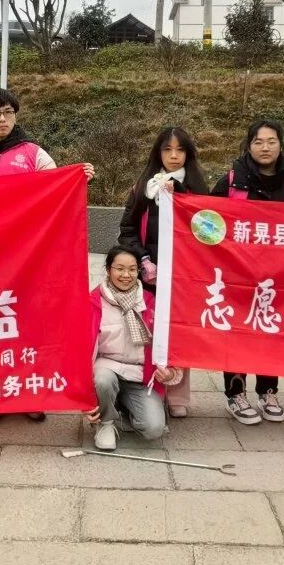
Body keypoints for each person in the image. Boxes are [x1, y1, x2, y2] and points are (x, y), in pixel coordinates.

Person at [0, 87, 94, 422]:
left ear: (16, 115)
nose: (2, 119)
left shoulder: (34, 154)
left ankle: (31, 393)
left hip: (30, 255)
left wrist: (78, 179)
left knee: (29, 323)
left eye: (8, 112)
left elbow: (57, 189)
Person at [212, 118, 284, 426]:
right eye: (258, 142)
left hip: (280, 277)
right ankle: (236, 394)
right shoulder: (231, 182)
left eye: (271, 141)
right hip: (238, 276)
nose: (265, 147)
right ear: (249, 146)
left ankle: (268, 392)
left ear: (281, 145)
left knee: (272, 333)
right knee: (237, 334)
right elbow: (207, 220)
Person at [118, 127, 208, 418]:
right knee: (148, 331)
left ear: (188, 154)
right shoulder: (144, 187)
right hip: (149, 276)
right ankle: (150, 388)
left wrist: (179, 198)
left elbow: (208, 233)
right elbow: (127, 229)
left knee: (179, 332)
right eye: (167, 149)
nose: (173, 156)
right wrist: (143, 261)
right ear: (158, 153)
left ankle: (178, 395)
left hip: (183, 275)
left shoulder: (197, 189)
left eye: (179, 150)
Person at [85, 246, 183, 450]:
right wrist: (82, 397)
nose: (126, 275)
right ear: (108, 269)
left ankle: (121, 409)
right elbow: (80, 348)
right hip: (106, 368)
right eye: (119, 268)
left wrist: (170, 372)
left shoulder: (151, 302)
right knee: (103, 379)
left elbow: (169, 343)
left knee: (154, 429)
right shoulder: (93, 302)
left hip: (139, 376)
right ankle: (106, 422)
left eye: (132, 269)